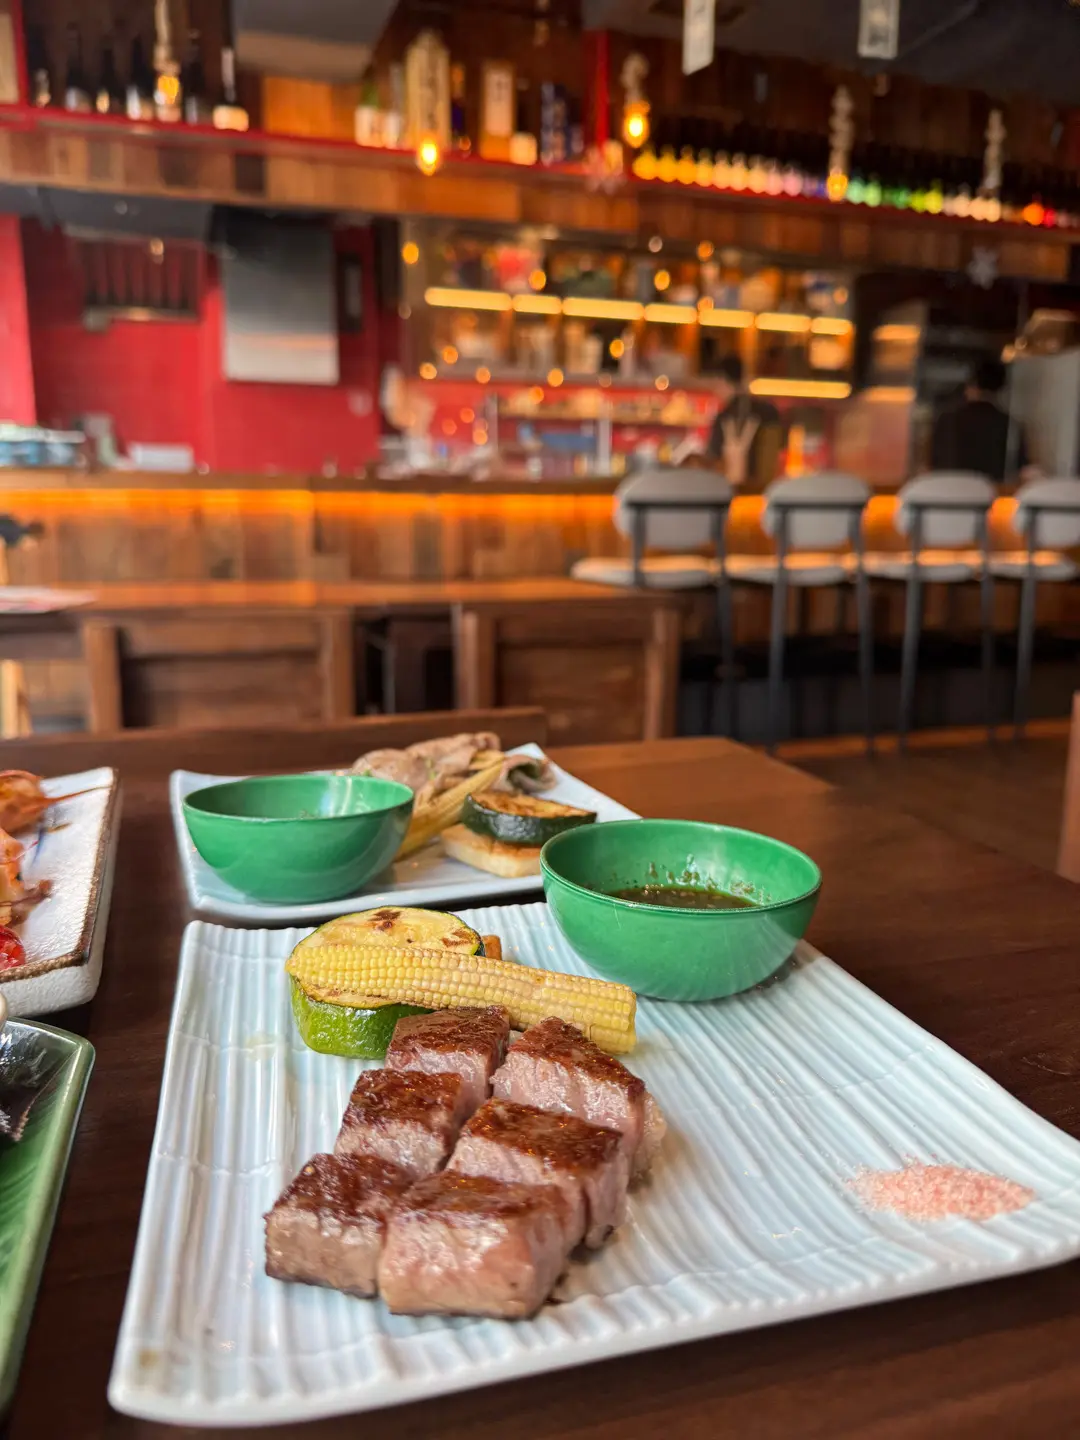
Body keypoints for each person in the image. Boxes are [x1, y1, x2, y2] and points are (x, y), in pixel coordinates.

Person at [930, 358, 1031, 483]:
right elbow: (1022, 470)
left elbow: (932, 463)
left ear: (972, 386)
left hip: (948, 490)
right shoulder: (1010, 425)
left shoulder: (947, 420)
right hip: (992, 492)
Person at [705, 355, 782, 489]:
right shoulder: (769, 412)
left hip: (732, 490)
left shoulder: (724, 418)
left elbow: (713, 459)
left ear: (722, 380)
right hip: (762, 491)